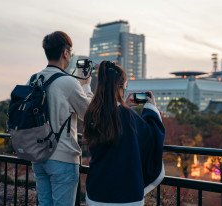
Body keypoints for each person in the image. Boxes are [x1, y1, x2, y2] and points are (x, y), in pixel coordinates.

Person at [83, 61, 165, 205]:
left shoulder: (92, 114)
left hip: (97, 191)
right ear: (121, 87)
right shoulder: (127, 116)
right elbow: (152, 135)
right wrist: (151, 109)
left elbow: (113, 120)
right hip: (126, 194)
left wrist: (124, 106)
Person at [31, 31, 93, 206]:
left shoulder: (34, 79)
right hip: (62, 157)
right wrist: (86, 85)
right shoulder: (69, 82)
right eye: (70, 52)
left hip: (37, 155)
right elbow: (88, 114)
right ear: (65, 53)